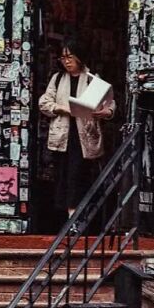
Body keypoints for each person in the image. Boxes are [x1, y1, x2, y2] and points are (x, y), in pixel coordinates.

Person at [38, 37, 115, 218]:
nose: (66, 62)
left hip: (84, 136)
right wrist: (61, 108)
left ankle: (75, 217)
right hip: (62, 135)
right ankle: (68, 217)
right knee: (63, 177)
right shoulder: (58, 78)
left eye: (70, 57)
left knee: (78, 175)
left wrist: (106, 112)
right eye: (63, 58)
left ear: (79, 57)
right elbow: (44, 102)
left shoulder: (91, 79)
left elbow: (109, 103)